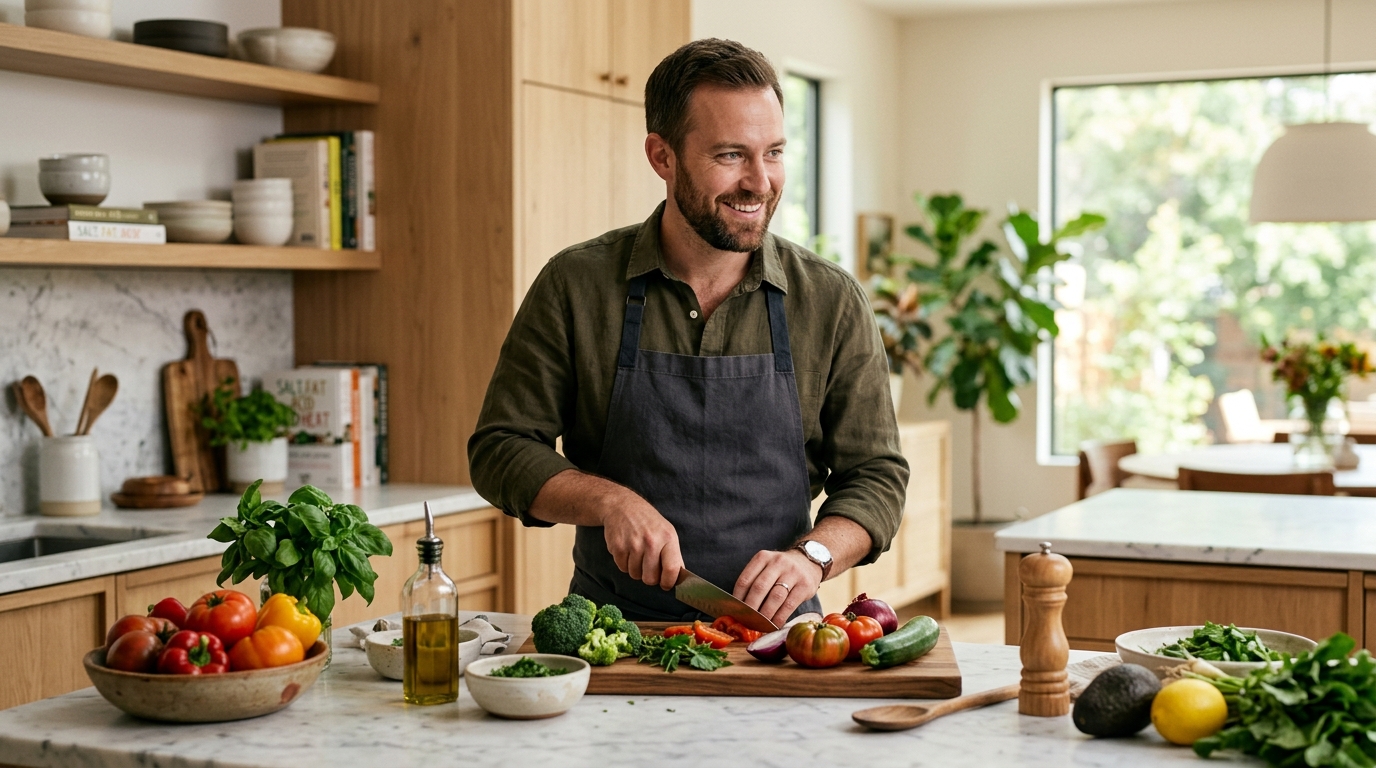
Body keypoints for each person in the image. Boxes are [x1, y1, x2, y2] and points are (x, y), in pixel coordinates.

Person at [468, 38, 907, 625]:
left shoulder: (829, 300)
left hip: (781, 639)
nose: (760, 181)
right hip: (615, 634)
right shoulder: (577, 284)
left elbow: (877, 475)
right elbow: (500, 448)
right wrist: (609, 501)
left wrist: (814, 556)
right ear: (662, 156)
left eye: (773, 152)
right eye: (730, 156)